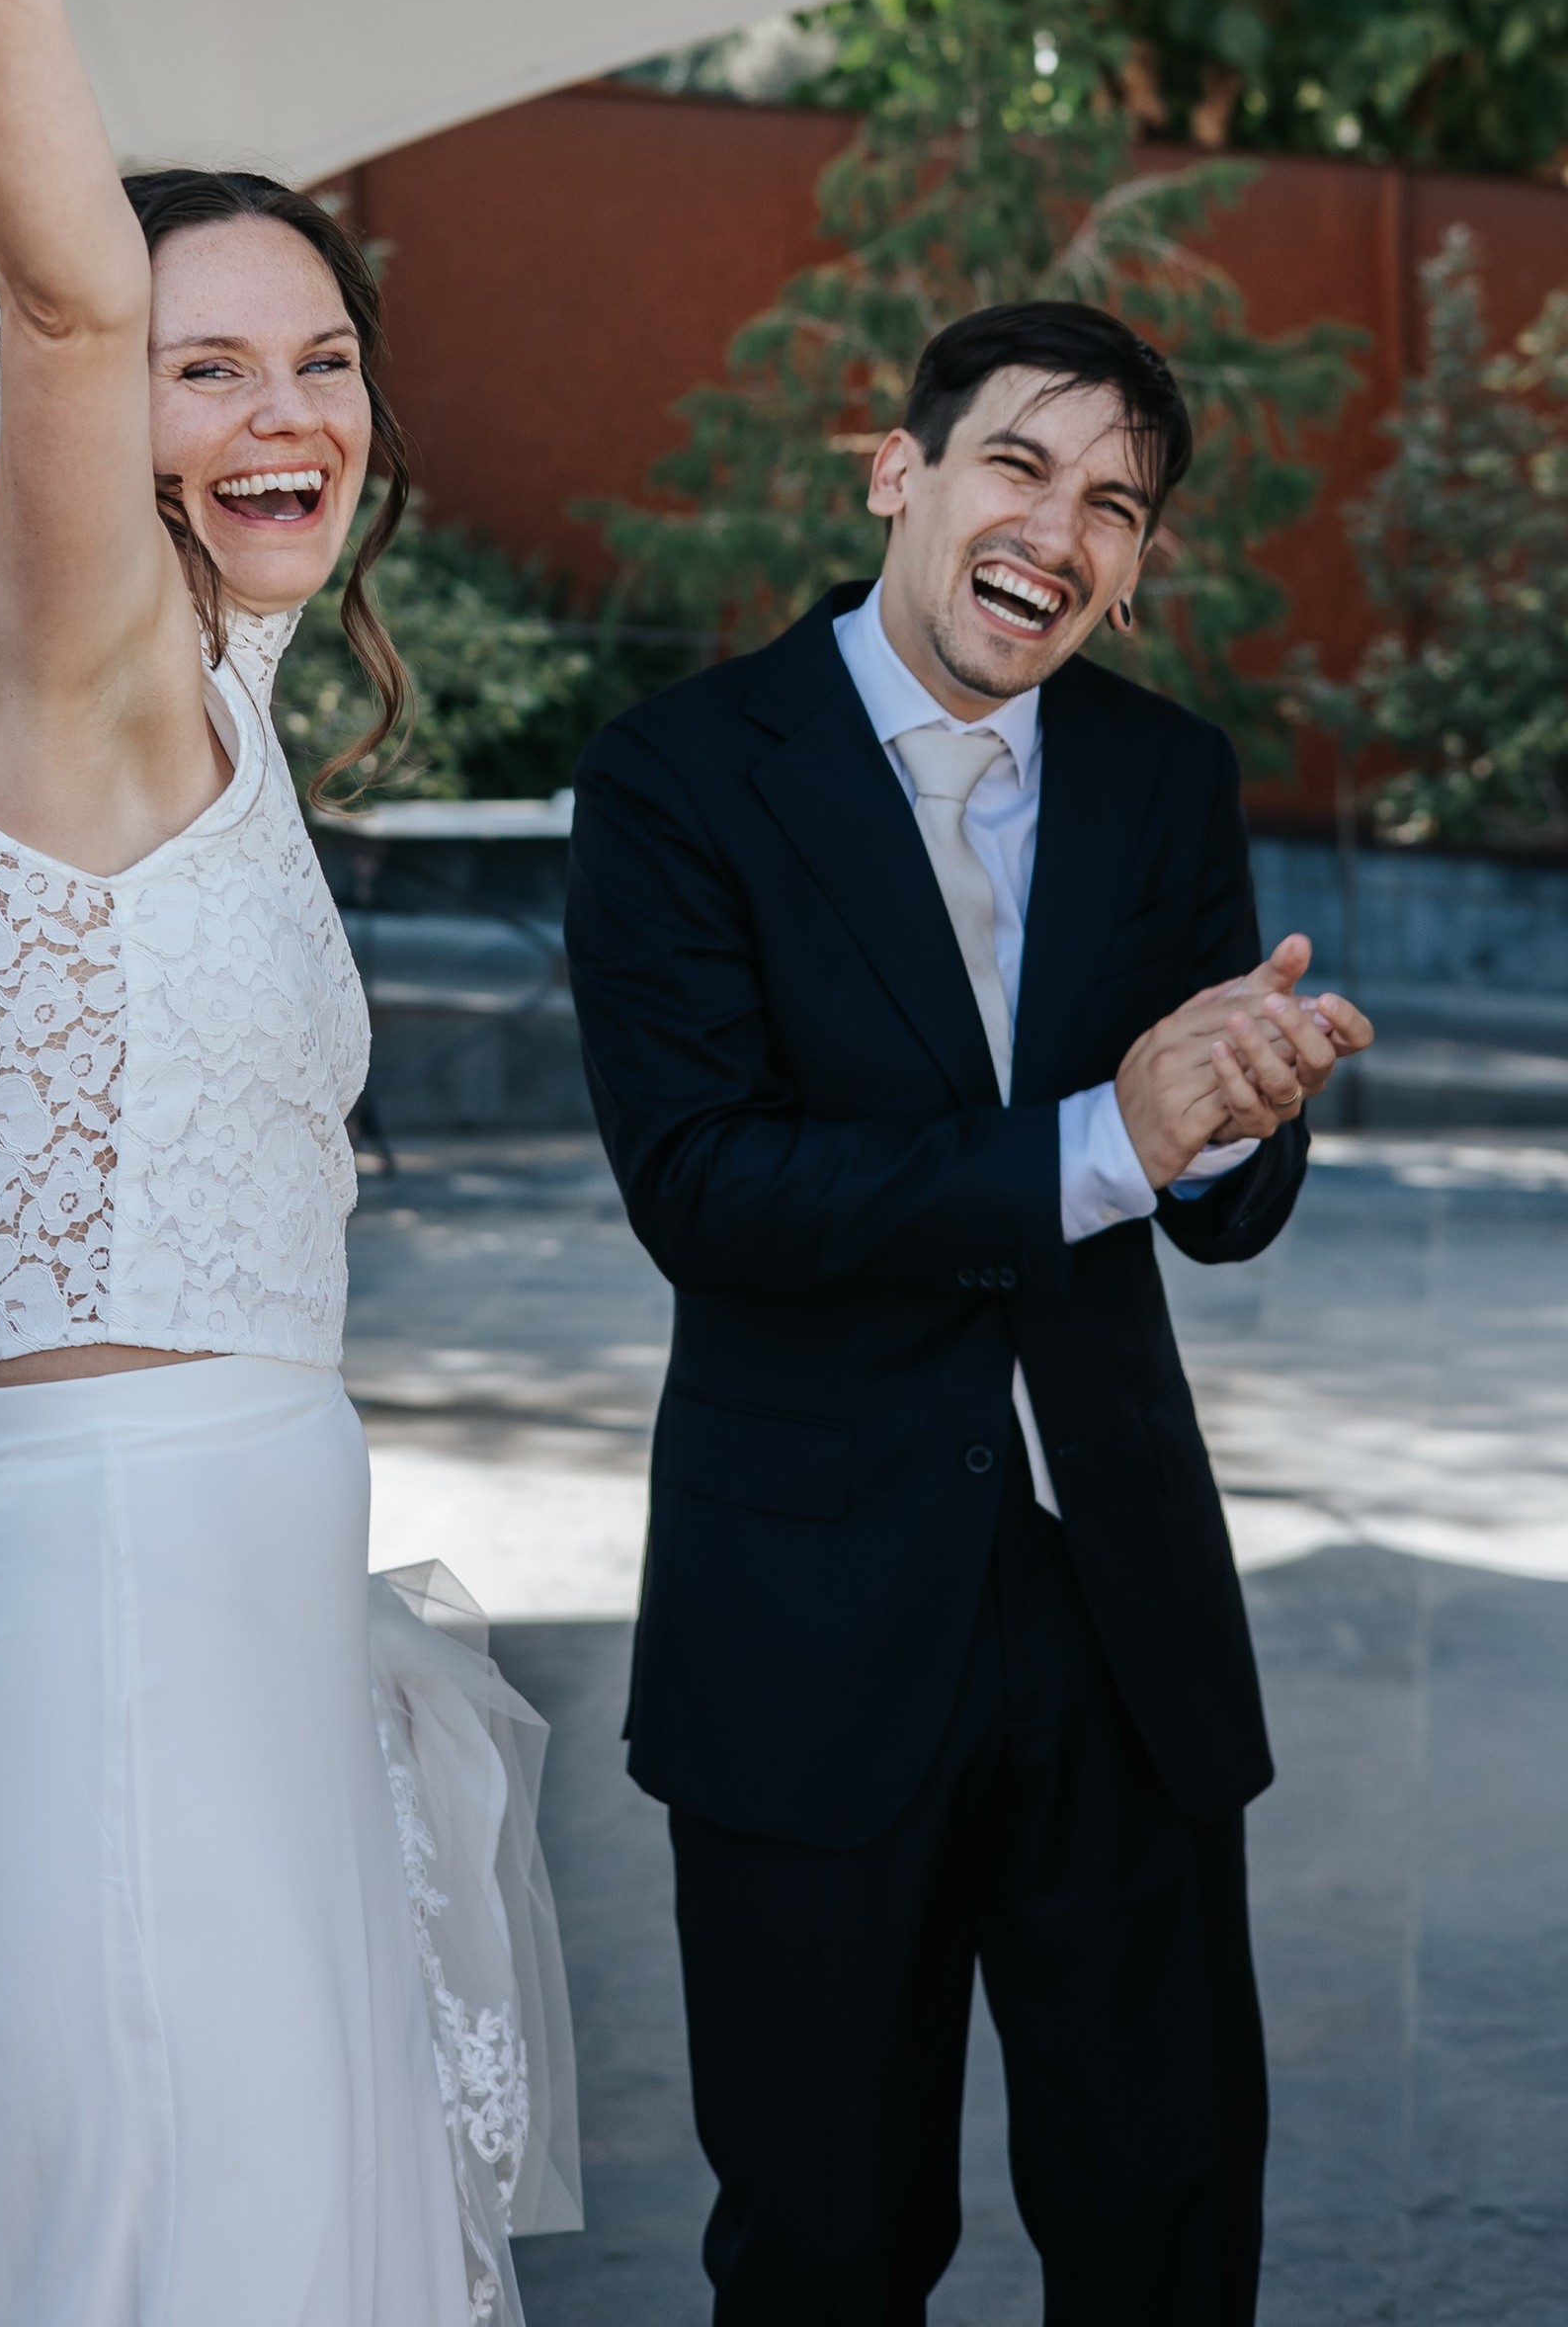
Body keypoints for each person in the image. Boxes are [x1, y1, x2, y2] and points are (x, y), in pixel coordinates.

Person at [0, 0, 578, 2327]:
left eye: (322, 357)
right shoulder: (85, 684)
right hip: (120, 1645)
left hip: (251, 1639)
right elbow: (50, 289)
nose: (282, 409)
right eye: (207, 359)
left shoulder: (228, 736)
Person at [563, 300, 1373, 2327]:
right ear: (895, 472)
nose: (1056, 530)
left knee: (1168, 2222)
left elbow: (1217, 1202)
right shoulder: (678, 774)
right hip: (807, 1624)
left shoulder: (1165, 774)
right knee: (826, 2247)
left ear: (1136, 566)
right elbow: (705, 1189)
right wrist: (1103, 1140)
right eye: (1016, 464)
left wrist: (1229, 1124)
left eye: (1114, 504)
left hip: (1121, 1617)